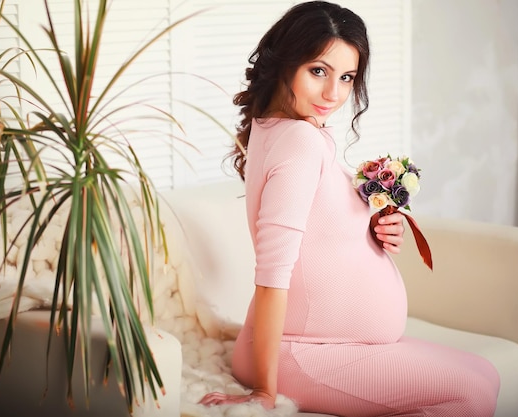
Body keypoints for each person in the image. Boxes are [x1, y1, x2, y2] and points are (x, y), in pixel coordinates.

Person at [199, 1, 500, 416]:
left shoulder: (282, 129)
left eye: (346, 77)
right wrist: (264, 393)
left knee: (485, 373)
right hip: (300, 352)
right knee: (472, 390)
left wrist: (370, 223)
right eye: (318, 71)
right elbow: (272, 276)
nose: (333, 94)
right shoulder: (300, 141)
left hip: (321, 343)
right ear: (285, 63)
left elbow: (317, 228)